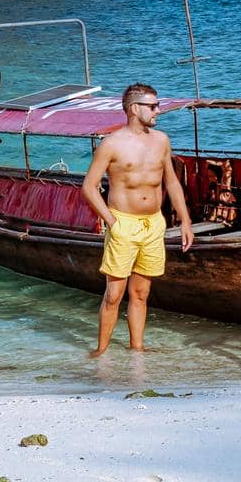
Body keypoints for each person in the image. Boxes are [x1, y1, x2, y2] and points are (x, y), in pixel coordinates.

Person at [81, 82, 195, 355]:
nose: (158, 110)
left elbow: (172, 182)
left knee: (141, 293)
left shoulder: (161, 140)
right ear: (134, 109)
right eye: (153, 106)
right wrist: (111, 221)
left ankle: (137, 348)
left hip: (153, 223)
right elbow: (89, 186)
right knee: (114, 294)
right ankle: (101, 351)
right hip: (123, 223)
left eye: (158, 105)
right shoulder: (111, 144)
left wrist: (186, 221)